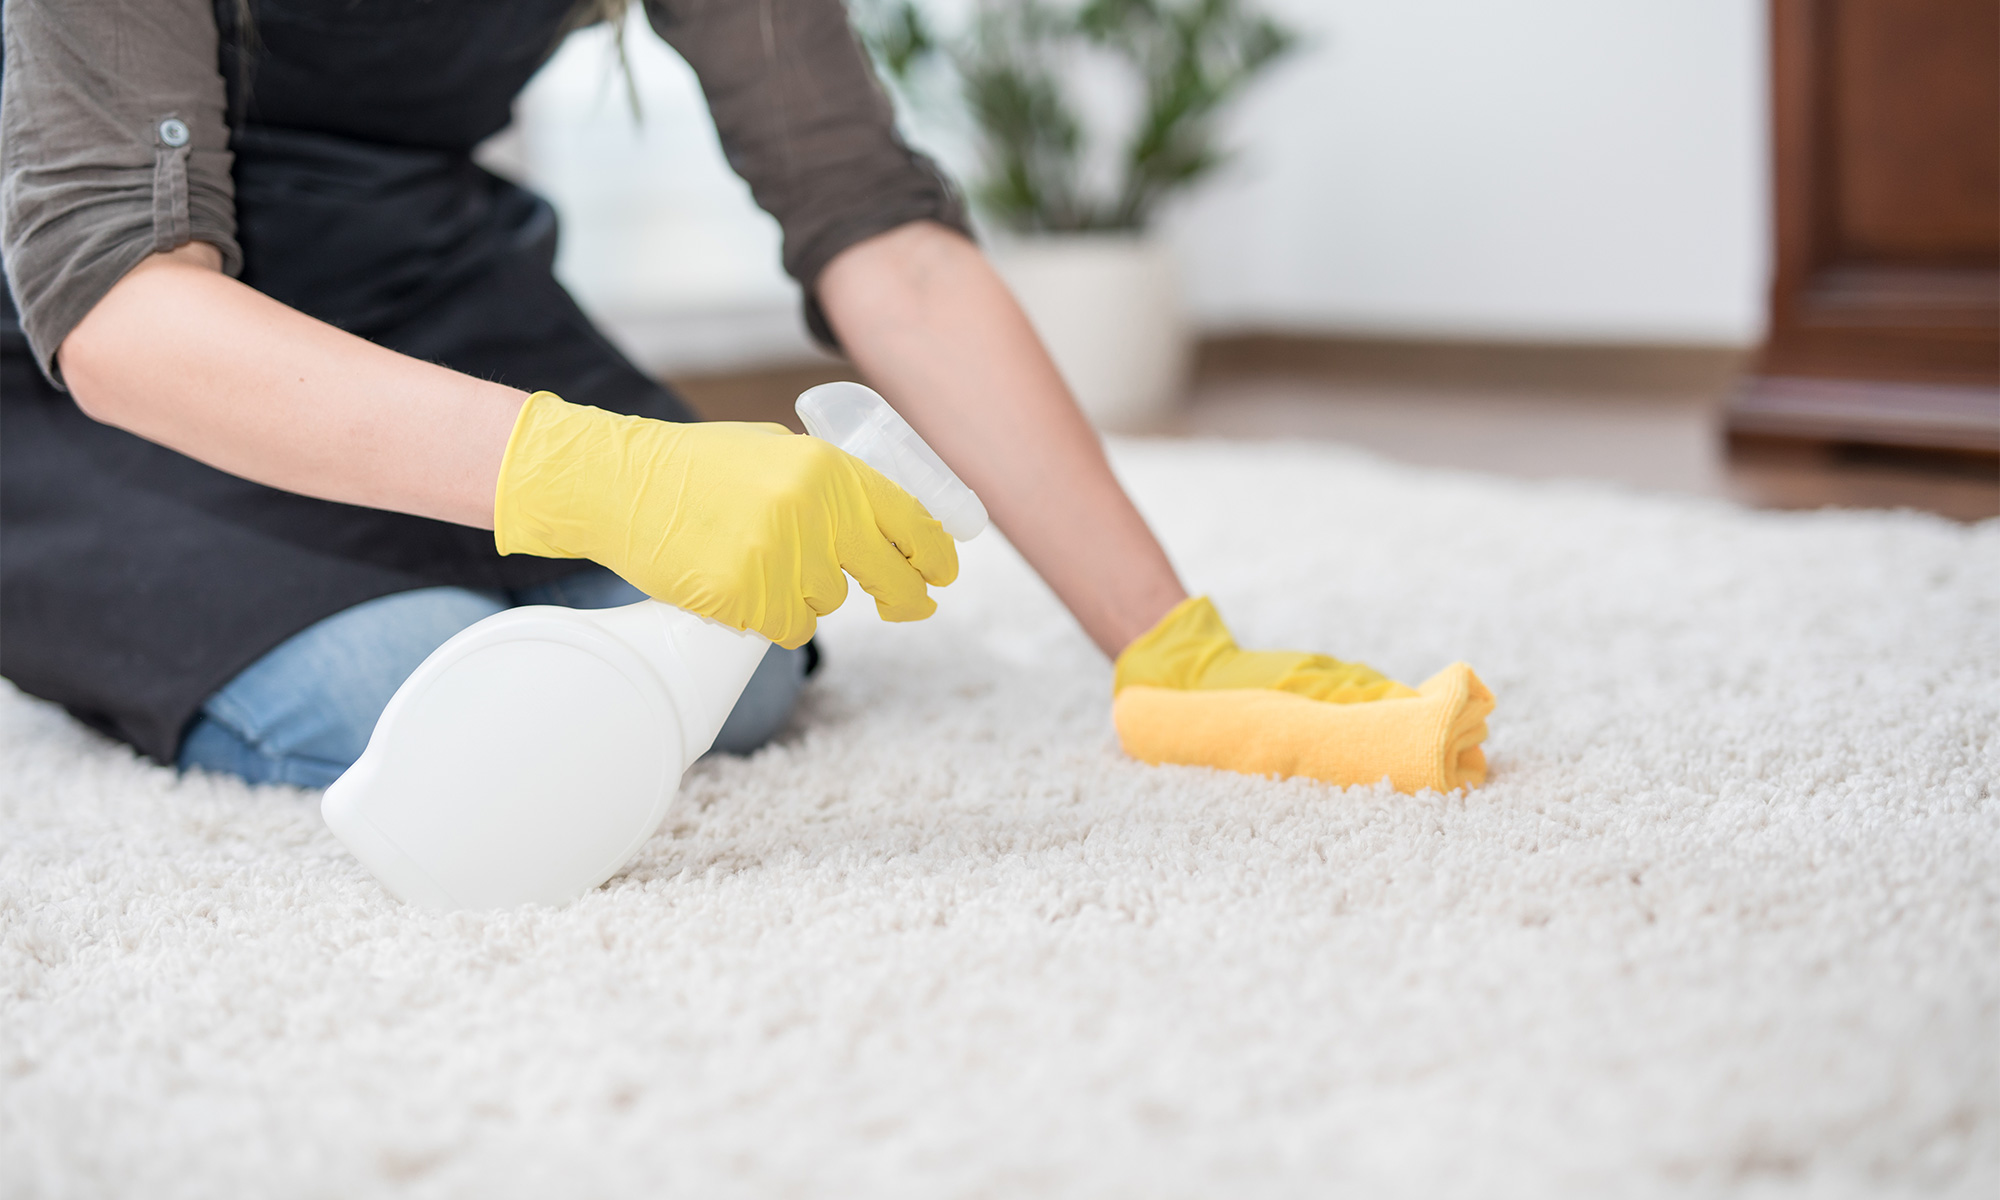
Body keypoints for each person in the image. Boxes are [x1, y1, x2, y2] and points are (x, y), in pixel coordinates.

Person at [1, 0, 1488, 795]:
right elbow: (122, 307)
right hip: (101, 360)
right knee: (420, 694)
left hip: (421, 277)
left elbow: (878, 230)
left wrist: (1168, 645)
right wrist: (602, 477)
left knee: (744, 661)